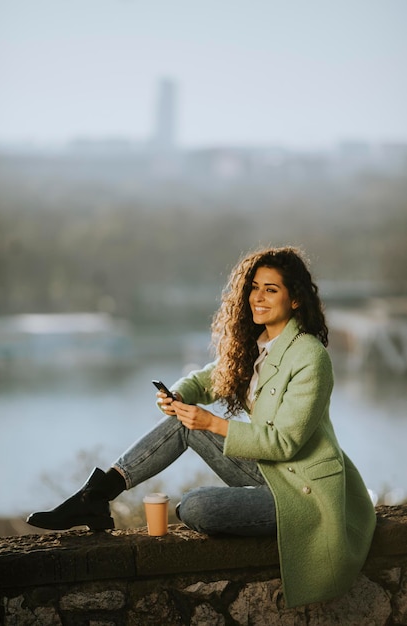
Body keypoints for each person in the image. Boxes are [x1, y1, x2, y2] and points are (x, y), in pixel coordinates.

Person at [27, 246, 376, 608]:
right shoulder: (259, 348)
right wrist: (178, 394)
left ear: (296, 299)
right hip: (269, 473)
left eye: (271, 289)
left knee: (196, 507)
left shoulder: (309, 356)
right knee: (184, 424)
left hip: (303, 491)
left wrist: (214, 423)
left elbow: (284, 443)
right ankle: (95, 496)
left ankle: (106, 499)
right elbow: (209, 379)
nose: (258, 297)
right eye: (254, 287)